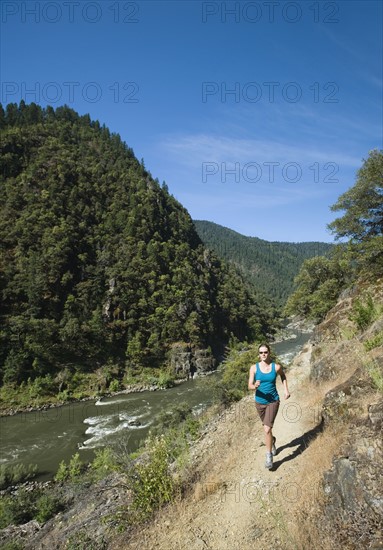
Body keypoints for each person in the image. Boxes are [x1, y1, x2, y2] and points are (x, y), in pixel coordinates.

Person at [248, 343, 290, 469]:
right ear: (258, 354)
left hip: (273, 401)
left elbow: (283, 376)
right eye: (261, 352)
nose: (263, 354)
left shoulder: (276, 367)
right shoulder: (254, 368)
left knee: (266, 429)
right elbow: (249, 385)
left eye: (265, 352)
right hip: (259, 402)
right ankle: (272, 441)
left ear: (269, 352)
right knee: (268, 430)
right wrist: (254, 386)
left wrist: (286, 390)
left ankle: (269, 456)